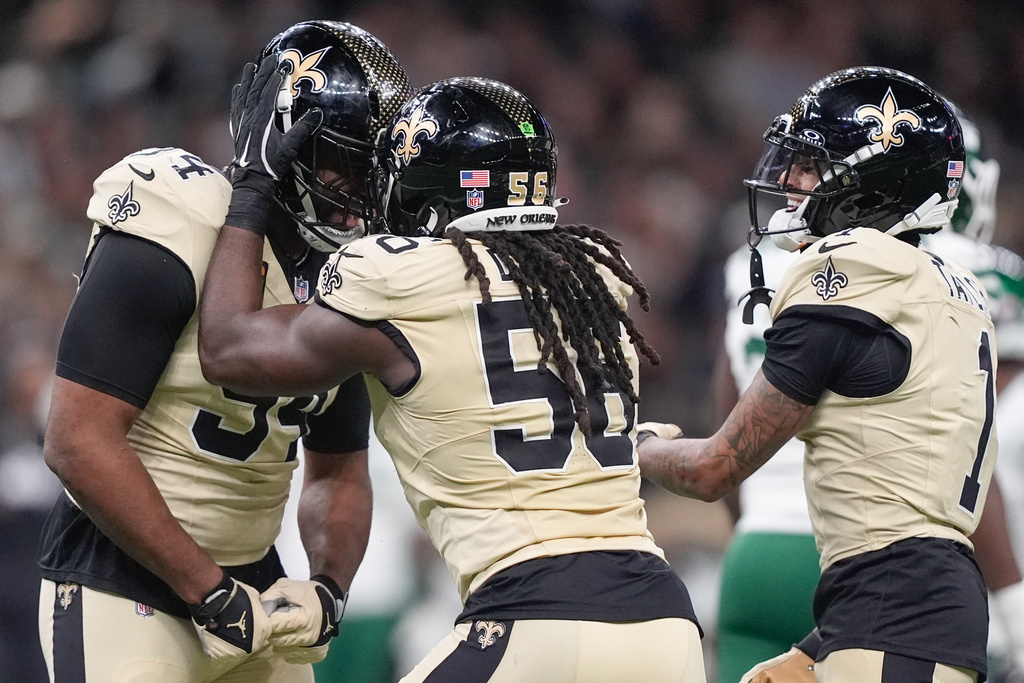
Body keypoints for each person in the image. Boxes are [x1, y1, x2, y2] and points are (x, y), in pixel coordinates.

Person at [198, 67, 707, 682]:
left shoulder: (400, 276)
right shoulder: (588, 276)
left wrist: (253, 188)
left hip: (535, 616)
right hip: (662, 623)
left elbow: (227, 350)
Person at [37, 20, 410, 682]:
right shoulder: (180, 216)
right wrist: (204, 586)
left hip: (253, 589)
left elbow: (338, 471)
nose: (356, 189)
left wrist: (327, 584)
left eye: (369, 168)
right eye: (340, 160)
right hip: (126, 583)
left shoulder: (345, 277)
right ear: (279, 136)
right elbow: (76, 437)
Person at [638, 66, 994, 681]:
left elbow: (713, 468)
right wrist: (821, 641)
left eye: (808, 164)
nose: (786, 180)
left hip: (895, 616)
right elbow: (901, 498)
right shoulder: (953, 285)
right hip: (908, 604)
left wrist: (634, 449)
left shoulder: (852, 268)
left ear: (874, 178)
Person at [712, 101, 1024, 682]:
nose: (785, 181)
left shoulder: (758, 262)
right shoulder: (967, 272)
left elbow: (729, 422)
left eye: (808, 165)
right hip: (898, 566)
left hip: (764, 544)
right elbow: (969, 452)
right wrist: (1013, 604)